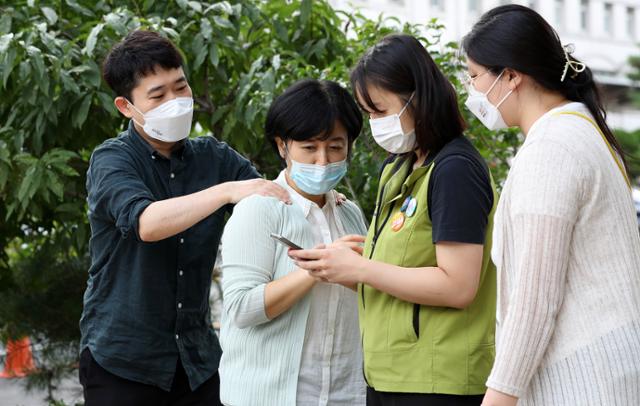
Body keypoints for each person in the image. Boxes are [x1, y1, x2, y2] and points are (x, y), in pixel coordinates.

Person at [79, 30, 290, 406]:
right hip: (123, 362)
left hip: (197, 360)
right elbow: (147, 223)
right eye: (158, 96)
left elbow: (271, 200)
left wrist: (310, 186)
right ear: (126, 106)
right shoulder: (112, 159)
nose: (175, 102)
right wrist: (225, 191)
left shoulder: (215, 157)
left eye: (181, 87)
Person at [292, 34, 497, 406]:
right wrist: (343, 263)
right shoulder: (400, 167)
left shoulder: (455, 170)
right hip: (390, 374)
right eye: (369, 114)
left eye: (380, 111)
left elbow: (458, 286)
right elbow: (399, 269)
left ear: (418, 98)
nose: (375, 124)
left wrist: (361, 270)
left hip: (438, 380)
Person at [460, 5, 640, 406]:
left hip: (582, 378)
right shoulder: (580, 130)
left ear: (510, 76)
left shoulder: (552, 148)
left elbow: (534, 301)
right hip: (605, 369)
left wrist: (498, 397)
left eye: (474, 77)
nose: (472, 93)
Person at [218, 79, 367, 406]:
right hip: (273, 396)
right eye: (309, 148)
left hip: (345, 394)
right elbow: (242, 308)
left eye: (336, 147)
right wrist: (319, 268)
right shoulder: (259, 210)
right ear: (283, 146)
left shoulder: (350, 214)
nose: (323, 162)